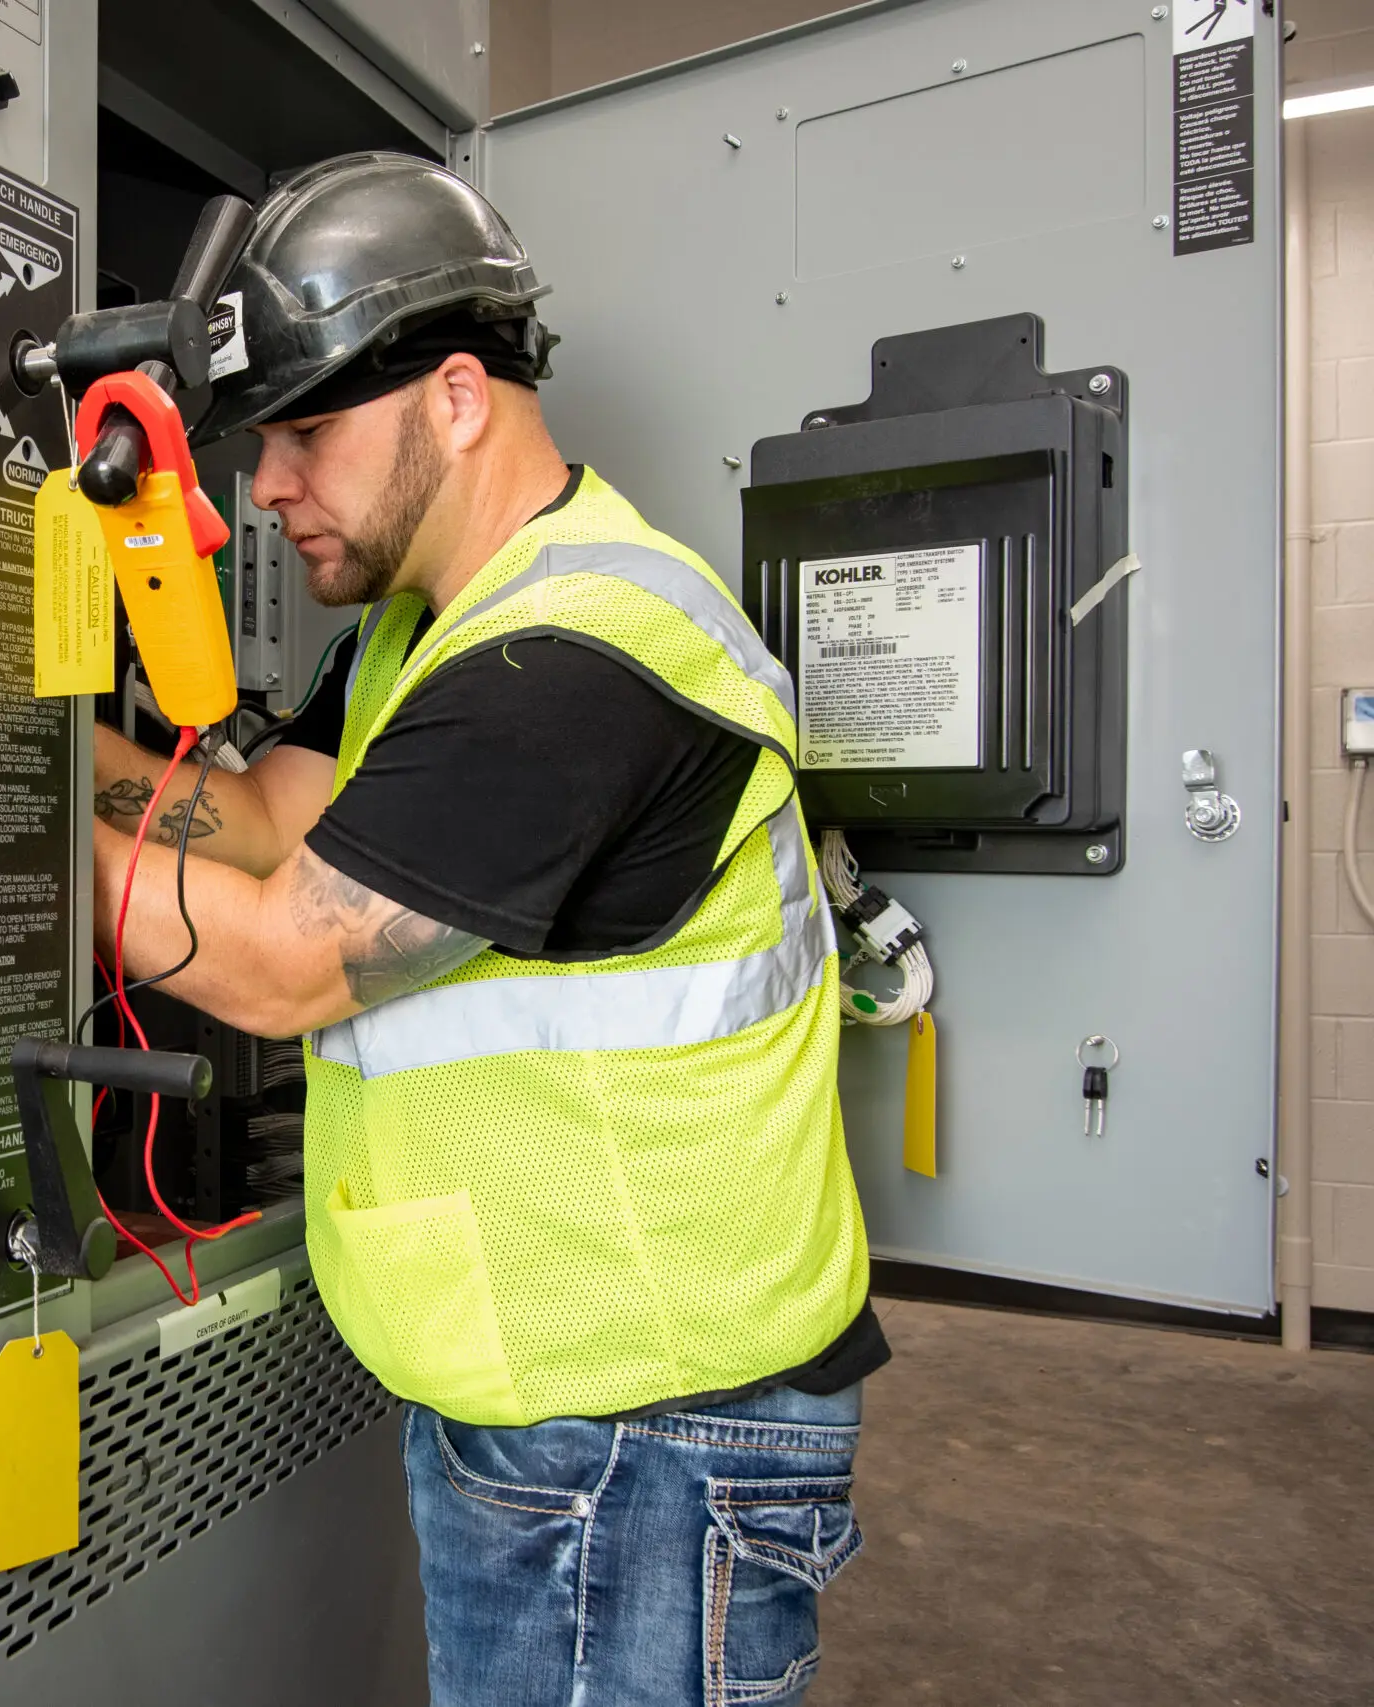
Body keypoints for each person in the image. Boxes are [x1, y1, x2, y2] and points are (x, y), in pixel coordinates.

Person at [90, 153, 888, 1705]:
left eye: (306, 433)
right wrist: (33, 760)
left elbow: (286, 956)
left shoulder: (578, 655)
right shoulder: (422, 634)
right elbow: (256, 823)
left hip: (650, 1434)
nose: (266, 487)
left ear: (457, 399)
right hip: (559, 1404)